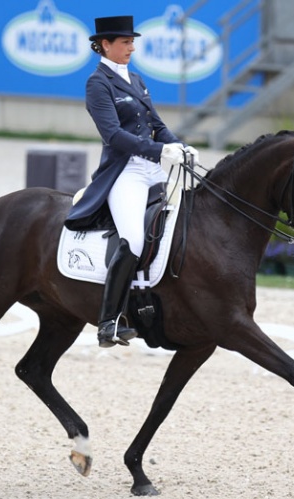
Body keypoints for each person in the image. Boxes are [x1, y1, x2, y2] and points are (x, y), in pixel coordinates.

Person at [65, 15, 199, 348]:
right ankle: (109, 321)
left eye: (132, 42)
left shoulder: (137, 80)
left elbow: (156, 123)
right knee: (133, 240)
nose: (131, 47)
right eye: (125, 43)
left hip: (154, 166)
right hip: (126, 172)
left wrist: (179, 146)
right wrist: (160, 150)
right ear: (105, 45)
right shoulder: (98, 84)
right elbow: (113, 135)